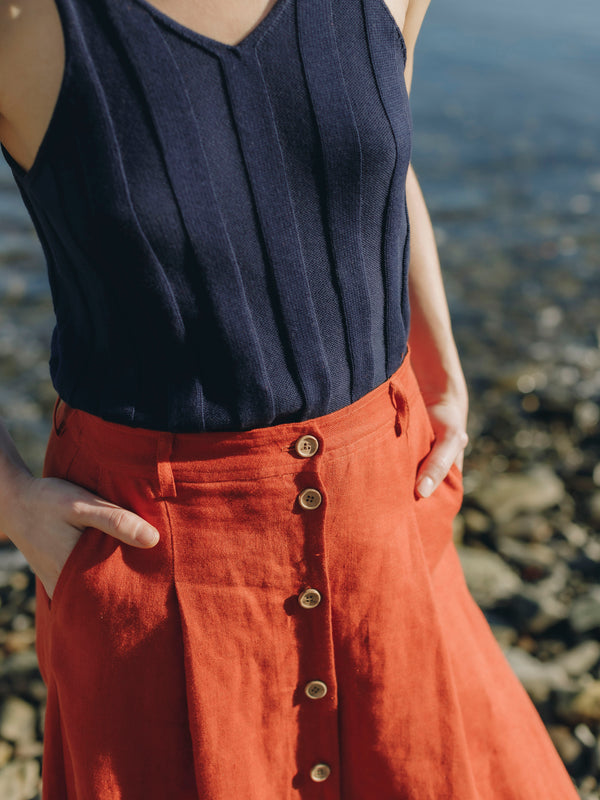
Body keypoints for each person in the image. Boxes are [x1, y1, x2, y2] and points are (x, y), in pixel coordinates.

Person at [0, 0, 581, 798]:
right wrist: (11, 499)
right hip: (154, 561)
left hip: (386, 523)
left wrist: (440, 370)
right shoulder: (24, 21)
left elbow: (375, 153)